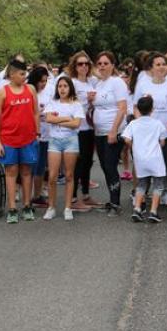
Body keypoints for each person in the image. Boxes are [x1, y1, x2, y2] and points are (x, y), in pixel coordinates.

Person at [132, 52, 167, 215]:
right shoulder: (143, 85)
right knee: (146, 166)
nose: (162, 67)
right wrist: (142, 124)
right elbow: (135, 107)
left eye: (164, 63)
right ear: (151, 67)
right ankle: (140, 201)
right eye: (158, 64)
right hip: (149, 136)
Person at [0, 59, 39, 224]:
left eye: (25, 73)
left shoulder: (30, 89)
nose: (24, 76)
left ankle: (27, 205)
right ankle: (12, 208)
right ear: (12, 75)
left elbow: (35, 113)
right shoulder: (2, 92)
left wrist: (37, 133)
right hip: (9, 140)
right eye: (21, 74)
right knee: (11, 173)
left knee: (27, 172)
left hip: (28, 139)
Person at [92, 51, 129, 217]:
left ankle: (116, 203)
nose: (102, 66)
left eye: (106, 63)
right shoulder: (99, 84)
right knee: (105, 167)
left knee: (110, 165)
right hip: (99, 132)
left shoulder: (117, 82)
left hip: (113, 131)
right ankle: (112, 200)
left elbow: (122, 108)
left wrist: (114, 130)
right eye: (99, 63)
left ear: (113, 65)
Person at [42, 76, 84, 221]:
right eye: (60, 86)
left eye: (65, 86)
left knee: (69, 175)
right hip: (54, 141)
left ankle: (67, 207)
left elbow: (76, 124)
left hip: (71, 141)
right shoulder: (52, 103)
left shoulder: (76, 104)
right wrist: (67, 119)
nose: (62, 89)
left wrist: (58, 121)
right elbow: (48, 119)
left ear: (70, 87)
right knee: (52, 176)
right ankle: (51, 207)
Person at [123, 96, 167, 223]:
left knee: (141, 184)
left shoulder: (133, 123)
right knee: (158, 184)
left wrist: (135, 146)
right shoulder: (157, 123)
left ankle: (137, 209)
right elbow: (163, 142)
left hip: (140, 158)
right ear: (152, 109)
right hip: (155, 158)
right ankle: (153, 211)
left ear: (138, 108)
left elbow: (126, 139)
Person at [66, 51, 101, 211]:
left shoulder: (93, 81)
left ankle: (86, 195)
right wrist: (85, 100)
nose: (84, 66)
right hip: (76, 128)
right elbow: (66, 103)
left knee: (87, 161)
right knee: (77, 163)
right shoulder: (70, 82)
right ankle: (72, 199)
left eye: (86, 63)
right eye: (80, 64)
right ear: (75, 66)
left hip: (89, 127)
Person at [28, 66, 50, 208]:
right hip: (31, 134)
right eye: (41, 81)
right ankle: (27, 196)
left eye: (46, 81)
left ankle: (37, 195)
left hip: (45, 133)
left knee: (41, 166)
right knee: (30, 166)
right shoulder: (29, 91)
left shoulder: (48, 93)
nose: (43, 84)